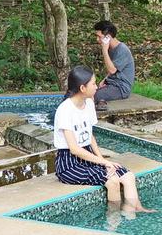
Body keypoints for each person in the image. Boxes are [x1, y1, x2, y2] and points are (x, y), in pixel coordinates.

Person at [53, 65, 154, 214]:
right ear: (82, 88)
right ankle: (113, 219)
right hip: (69, 164)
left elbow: (90, 136)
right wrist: (104, 162)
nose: (97, 86)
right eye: (93, 84)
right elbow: (74, 149)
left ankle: (133, 210)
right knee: (112, 181)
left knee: (127, 176)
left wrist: (102, 160)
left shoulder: (88, 103)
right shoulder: (65, 110)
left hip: (88, 156)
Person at [93, 20, 135, 111]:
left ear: (107, 37)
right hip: (112, 84)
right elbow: (113, 70)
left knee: (94, 95)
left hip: (121, 88)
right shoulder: (111, 48)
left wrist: (104, 50)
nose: (97, 39)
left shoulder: (122, 50)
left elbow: (112, 70)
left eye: (99, 36)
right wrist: (104, 80)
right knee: (87, 91)